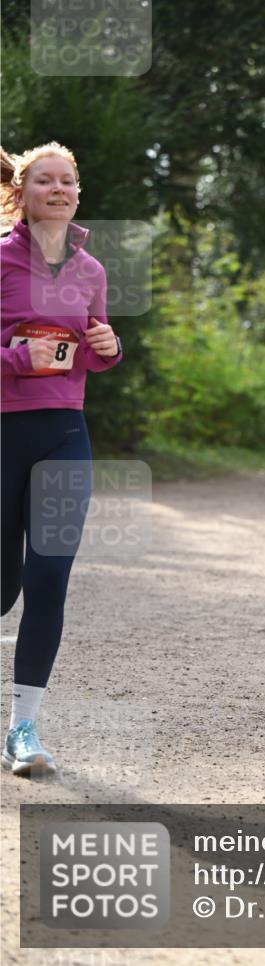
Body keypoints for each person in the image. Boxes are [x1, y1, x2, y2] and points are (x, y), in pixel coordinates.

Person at [1, 142, 122, 775]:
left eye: (68, 180)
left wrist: (108, 344)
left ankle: (23, 728)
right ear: (22, 193)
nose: (59, 188)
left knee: (49, 579)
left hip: (63, 433)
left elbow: (93, 347)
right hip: (2, 432)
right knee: (3, 588)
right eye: (45, 180)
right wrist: (19, 357)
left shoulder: (91, 270)